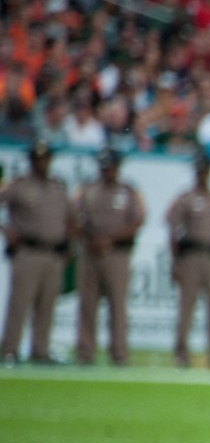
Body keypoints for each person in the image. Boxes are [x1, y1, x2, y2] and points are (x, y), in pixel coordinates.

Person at [0, 141, 72, 366]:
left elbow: (69, 218)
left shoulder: (57, 187)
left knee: (47, 304)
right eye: (38, 158)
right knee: (20, 302)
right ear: (31, 160)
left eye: (46, 158)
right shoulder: (19, 186)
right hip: (28, 250)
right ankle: (10, 349)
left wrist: (68, 243)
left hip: (53, 252)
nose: (43, 162)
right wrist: (7, 230)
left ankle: (40, 349)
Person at [73, 148, 144, 367]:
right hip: (90, 252)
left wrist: (111, 239)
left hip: (117, 253)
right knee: (87, 304)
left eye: (112, 166)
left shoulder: (127, 192)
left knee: (118, 304)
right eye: (105, 166)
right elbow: (73, 218)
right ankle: (85, 352)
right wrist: (90, 238)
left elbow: (137, 220)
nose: (108, 170)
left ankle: (119, 352)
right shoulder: (88, 190)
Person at [168, 153, 210, 369]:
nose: (202, 174)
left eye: (205, 170)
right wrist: (176, 262)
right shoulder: (186, 198)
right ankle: (181, 352)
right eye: (199, 170)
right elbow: (173, 230)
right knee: (186, 306)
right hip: (191, 256)